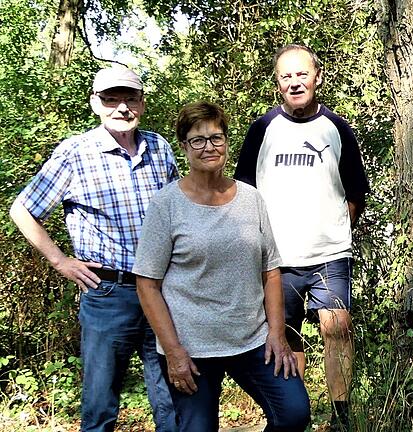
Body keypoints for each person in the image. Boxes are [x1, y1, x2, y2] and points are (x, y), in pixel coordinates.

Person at [9, 66, 178, 431]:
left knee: (172, 398)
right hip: (107, 294)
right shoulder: (76, 152)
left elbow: (178, 213)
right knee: (100, 404)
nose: (122, 108)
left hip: (162, 291)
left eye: (130, 98)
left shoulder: (160, 148)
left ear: (142, 103)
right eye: (111, 99)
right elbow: (22, 209)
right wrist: (60, 261)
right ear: (95, 104)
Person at [133, 101, 311, 432]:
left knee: (294, 413)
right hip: (191, 347)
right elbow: (148, 285)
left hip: (251, 339)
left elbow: (270, 271)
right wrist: (173, 352)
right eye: (197, 139)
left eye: (216, 137)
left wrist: (276, 333)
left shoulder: (250, 198)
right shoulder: (166, 204)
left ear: (227, 141)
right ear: (184, 146)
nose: (209, 147)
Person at [234, 44, 369, 431]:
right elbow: (244, 192)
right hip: (278, 259)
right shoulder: (263, 129)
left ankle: (341, 419)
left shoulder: (336, 127)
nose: (295, 82)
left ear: (317, 77)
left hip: (329, 254)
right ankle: (295, 416)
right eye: (286, 76)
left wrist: (333, 231)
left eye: (301, 74)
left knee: (337, 329)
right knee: (286, 337)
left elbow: (355, 191)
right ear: (278, 83)